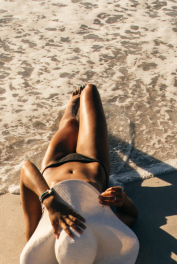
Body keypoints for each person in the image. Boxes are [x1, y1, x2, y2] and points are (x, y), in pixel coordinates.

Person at [19, 84, 138, 242]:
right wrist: (122, 199)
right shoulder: (101, 227)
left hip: (54, 163)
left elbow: (25, 168)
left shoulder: (37, 237)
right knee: (90, 90)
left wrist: (49, 201)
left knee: (70, 125)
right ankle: (78, 110)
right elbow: (131, 215)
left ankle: (70, 107)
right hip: (92, 161)